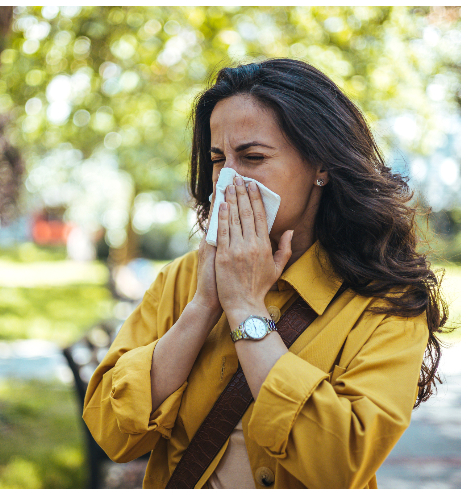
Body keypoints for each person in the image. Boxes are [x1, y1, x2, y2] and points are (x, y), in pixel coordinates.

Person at [82, 58, 448, 489]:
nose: (229, 179)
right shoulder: (182, 278)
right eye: (219, 159)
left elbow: (341, 463)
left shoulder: (386, 302)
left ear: (321, 166)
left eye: (253, 157)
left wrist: (244, 309)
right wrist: (203, 306)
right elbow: (110, 430)